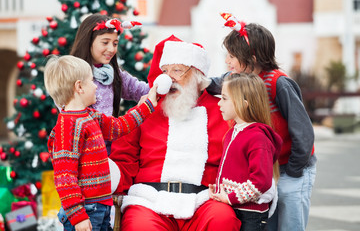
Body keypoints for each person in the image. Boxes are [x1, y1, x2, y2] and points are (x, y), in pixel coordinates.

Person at [109, 35, 242, 230]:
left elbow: (239, 157)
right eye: (164, 71)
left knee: (223, 219)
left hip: (204, 200)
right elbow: (123, 160)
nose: (167, 78)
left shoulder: (223, 110)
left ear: (198, 74)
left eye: (177, 70)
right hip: (150, 201)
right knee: (140, 226)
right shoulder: (144, 111)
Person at [206, 13, 317, 231]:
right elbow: (214, 84)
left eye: (232, 56)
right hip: (271, 168)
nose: (227, 61)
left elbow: (303, 132)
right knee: (270, 222)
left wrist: (293, 171)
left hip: (294, 167)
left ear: (252, 58)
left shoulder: (279, 83)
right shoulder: (240, 81)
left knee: (290, 223)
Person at [44, 55, 158, 231]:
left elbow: (120, 126)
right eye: (91, 81)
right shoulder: (67, 126)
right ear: (79, 87)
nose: (96, 86)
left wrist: (147, 105)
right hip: (85, 211)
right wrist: (78, 216)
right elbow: (65, 177)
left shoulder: (91, 116)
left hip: (101, 206)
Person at [208, 73, 282, 231]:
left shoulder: (257, 138)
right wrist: (220, 190)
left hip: (250, 215)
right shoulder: (233, 132)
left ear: (244, 103)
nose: (219, 103)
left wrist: (229, 198)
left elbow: (260, 182)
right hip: (234, 208)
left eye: (224, 98)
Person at [70, 13, 150, 117]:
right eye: (105, 42)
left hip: (111, 133)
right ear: (88, 42)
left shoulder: (114, 74)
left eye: (115, 44)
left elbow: (141, 90)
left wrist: (166, 83)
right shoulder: (70, 75)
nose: (112, 49)